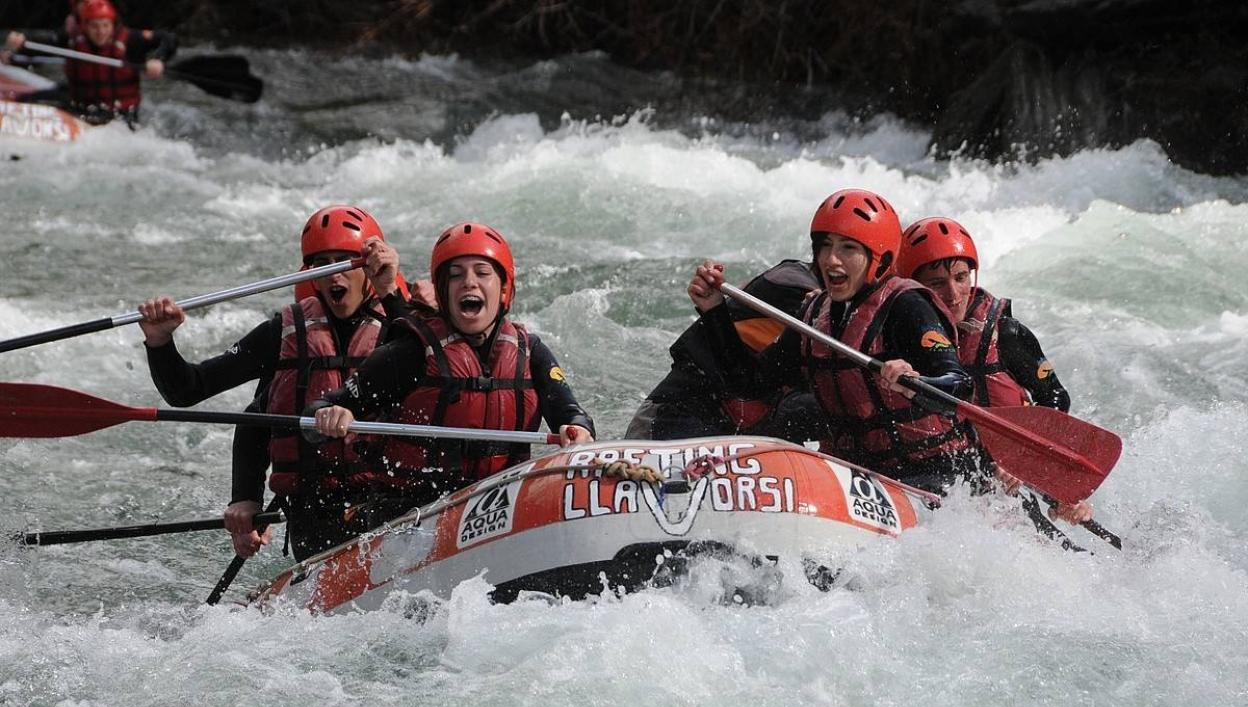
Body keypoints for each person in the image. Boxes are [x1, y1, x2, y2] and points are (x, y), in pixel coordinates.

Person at [137, 205, 428, 560]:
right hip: (315, 515)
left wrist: (391, 293)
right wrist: (160, 343)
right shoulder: (285, 333)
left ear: (367, 267)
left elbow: (431, 368)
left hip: (395, 503)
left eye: (343, 262)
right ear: (310, 273)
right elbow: (192, 391)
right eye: (323, 264)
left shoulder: (404, 325)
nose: (335, 277)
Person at [688, 189, 977, 492]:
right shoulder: (815, 314)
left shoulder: (907, 305)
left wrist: (917, 381)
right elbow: (749, 384)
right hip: (863, 479)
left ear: (881, 258)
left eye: (848, 248)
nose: (831, 260)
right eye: (825, 246)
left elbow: (959, 386)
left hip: (938, 476)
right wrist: (714, 311)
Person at [309, 222, 595, 514]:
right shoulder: (411, 352)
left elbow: (572, 414)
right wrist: (332, 413)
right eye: (456, 276)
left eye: (482, 273)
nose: (469, 282)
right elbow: (320, 409)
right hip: (413, 514)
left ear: (504, 288)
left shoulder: (530, 350)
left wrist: (578, 429)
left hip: (500, 506)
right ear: (443, 292)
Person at [896, 216, 1092, 523]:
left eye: (961, 278)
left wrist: (1028, 465)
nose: (954, 294)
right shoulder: (897, 338)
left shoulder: (1007, 335)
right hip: (945, 478)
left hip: (1011, 480)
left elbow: (1055, 399)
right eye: (937, 284)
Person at [625, 258, 824, 442]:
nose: (835, 259)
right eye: (830, 247)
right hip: (680, 412)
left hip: (747, 429)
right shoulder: (793, 283)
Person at [2, 0, 176, 125]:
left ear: (113, 24)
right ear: (85, 26)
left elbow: (168, 39)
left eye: (105, 26)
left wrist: (158, 60)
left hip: (120, 118)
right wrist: (21, 42)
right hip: (81, 110)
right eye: (95, 26)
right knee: (25, 99)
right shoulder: (72, 39)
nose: (100, 32)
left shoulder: (131, 39)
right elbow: (42, 44)